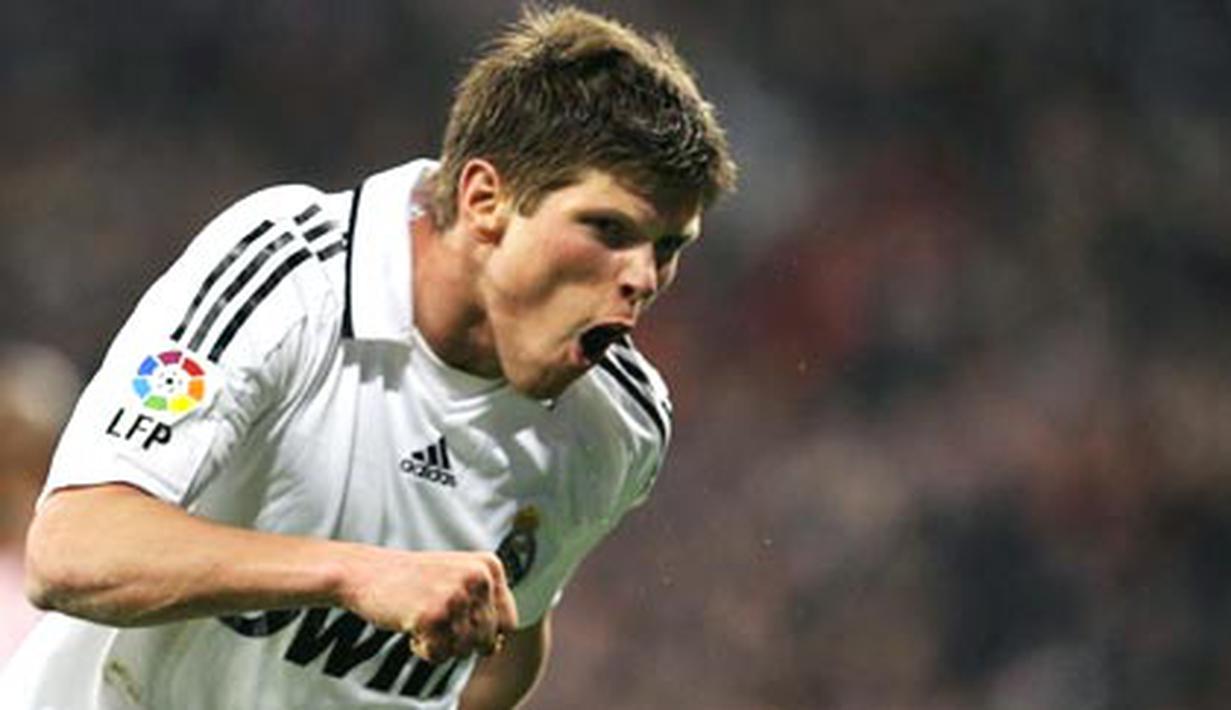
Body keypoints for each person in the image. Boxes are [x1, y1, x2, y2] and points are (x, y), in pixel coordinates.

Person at [0, 5, 736, 709]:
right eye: (608, 229)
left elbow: (503, 645)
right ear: (486, 200)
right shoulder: (294, 274)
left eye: (668, 247)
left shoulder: (619, 424)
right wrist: (352, 574)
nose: (644, 278)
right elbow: (74, 549)